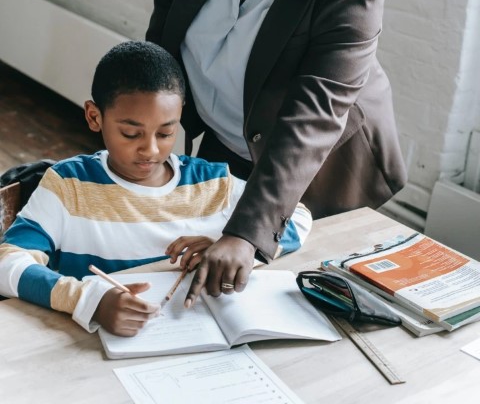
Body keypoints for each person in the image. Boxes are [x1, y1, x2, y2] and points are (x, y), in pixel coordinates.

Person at [145, 0, 426, 306]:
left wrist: (248, 234)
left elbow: (312, 121)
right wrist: (146, 122)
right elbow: (170, 11)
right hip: (228, 135)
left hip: (310, 172)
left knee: (278, 307)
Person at [0, 41, 311, 336]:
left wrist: (233, 246)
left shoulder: (212, 182)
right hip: (96, 348)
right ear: (95, 117)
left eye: (166, 132)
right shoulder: (69, 185)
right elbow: (7, 262)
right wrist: (88, 300)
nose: (149, 150)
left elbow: (296, 216)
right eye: (131, 133)